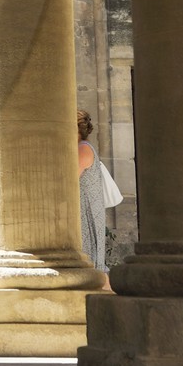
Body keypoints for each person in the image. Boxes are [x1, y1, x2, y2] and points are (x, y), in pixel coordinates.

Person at [77, 109, 111, 290]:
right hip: (82, 210)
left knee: (93, 267)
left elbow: (67, 179)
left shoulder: (83, 148)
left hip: (86, 210)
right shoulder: (80, 147)